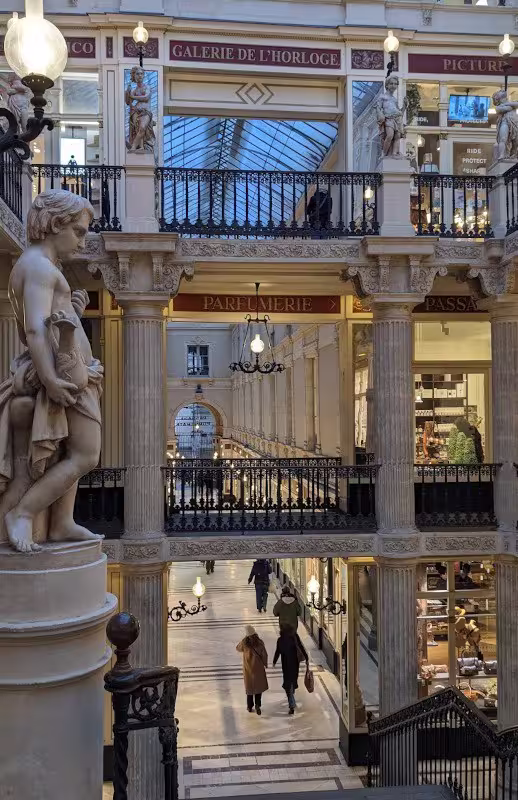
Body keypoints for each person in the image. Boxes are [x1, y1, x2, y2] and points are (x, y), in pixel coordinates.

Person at [0, 190, 103, 553]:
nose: (82, 240)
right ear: (56, 224)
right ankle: (23, 513)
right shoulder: (40, 267)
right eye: (78, 231)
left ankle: (61, 523)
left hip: (70, 370)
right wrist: (50, 380)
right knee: (86, 454)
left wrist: (72, 310)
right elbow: (33, 330)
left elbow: (47, 322)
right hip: (63, 376)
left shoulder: (39, 266)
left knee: (69, 448)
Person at [273, 627, 308, 714]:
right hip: (295, 664)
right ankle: (291, 700)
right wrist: (306, 658)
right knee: (292, 682)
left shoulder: (280, 640)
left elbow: (278, 651)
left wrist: (274, 661)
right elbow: (301, 646)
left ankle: (291, 702)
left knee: (288, 684)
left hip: (286, 666)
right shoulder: (294, 637)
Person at [236, 624, 268, 715]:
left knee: (249, 688)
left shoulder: (244, 643)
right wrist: (265, 663)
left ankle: (249, 706)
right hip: (258, 668)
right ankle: (257, 704)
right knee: (258, 687)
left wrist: (244, 639)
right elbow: (264, 654)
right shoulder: (259, 642)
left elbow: (238, 648)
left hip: (248, 669)